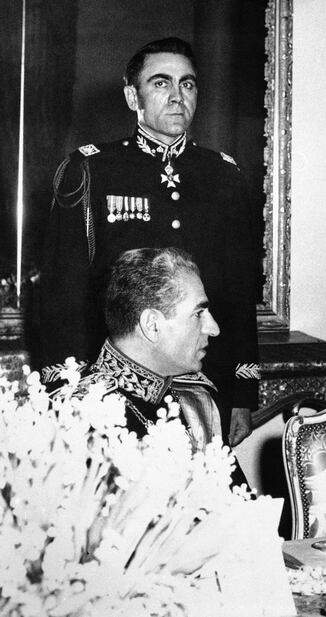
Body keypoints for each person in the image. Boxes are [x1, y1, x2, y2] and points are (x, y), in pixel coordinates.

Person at [39, 37, 260, 447]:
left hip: (203, 387)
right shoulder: (91, 170)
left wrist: (242, 393)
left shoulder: (224, 176)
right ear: (132, 96)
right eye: (161, 83)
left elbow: (237, 291)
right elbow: (62, 293)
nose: (177, 96)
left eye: (188, 84)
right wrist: (65, 387)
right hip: (115, 392)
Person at [72, 247, 247, 487]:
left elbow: (242, 508)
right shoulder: (80, 417)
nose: (213, 328)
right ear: (152, 325)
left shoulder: (196, 400)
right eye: (198, 314)